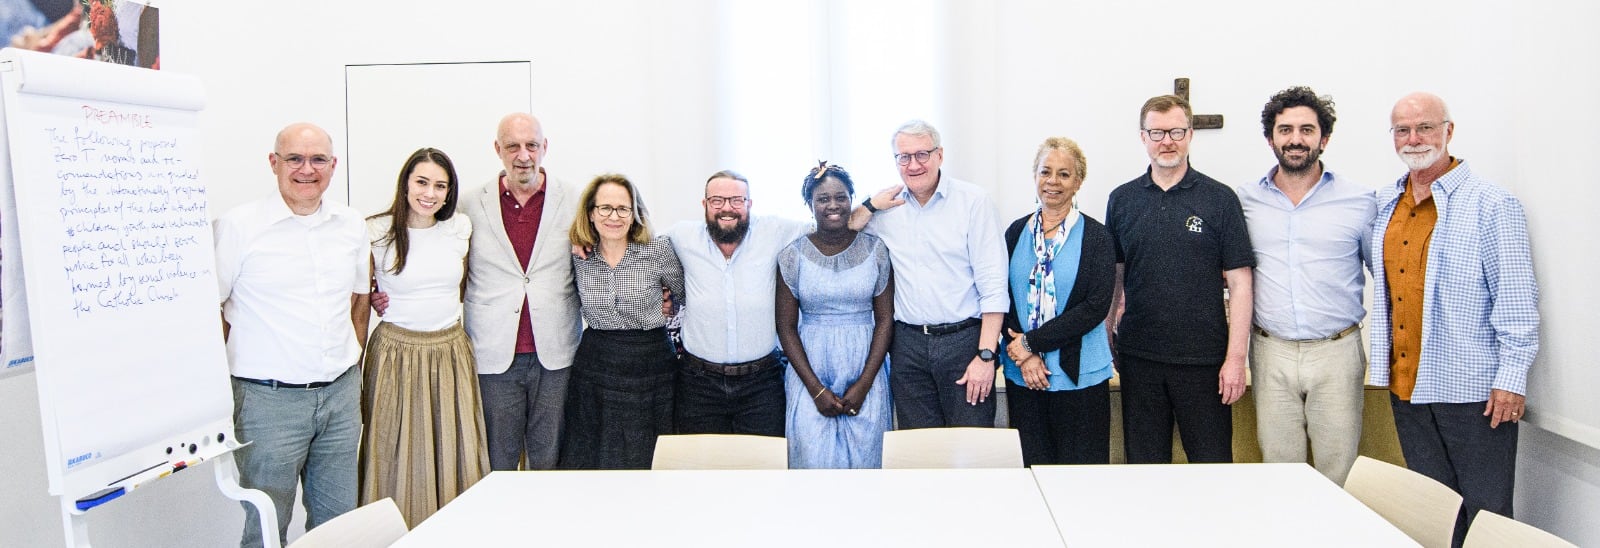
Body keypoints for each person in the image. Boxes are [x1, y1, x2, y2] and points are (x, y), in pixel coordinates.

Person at [1371, 92, 1538, 546]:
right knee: (1432, 515)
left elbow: (1517, 301)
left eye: (1424, 127)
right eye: (1402, 130)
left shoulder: (1492, 204)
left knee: (1488, 518)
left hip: (1475, 394)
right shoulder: (1385, 203)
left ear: (1449, 130)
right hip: (1407, 387)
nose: (1414, 138)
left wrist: (1512, 378)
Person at [214, 123, 369, 547]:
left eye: (318, 159)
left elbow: (359, 303)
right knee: (266, 525)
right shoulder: (238, 226)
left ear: (333, 166)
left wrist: (350, 365)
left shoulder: (351, 224)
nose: (307, 169)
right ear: (274, 163)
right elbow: (212, 310)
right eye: (295, 159)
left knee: (339, 526)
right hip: (268, 403)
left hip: (339, 397)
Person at [1106, 95, 1255, 464]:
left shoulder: (1220, 200)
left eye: (1175, 131)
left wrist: (1236, 358)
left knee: (1211, 465)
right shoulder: (1122, 200)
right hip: (1139, 359)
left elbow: (1240, 284)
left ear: (1190, 135)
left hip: (1205, 362)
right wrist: (1107, 333)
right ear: (1143, 137)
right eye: (1157, 132)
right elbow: (1115, 278)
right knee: (1145, 465)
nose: (1166, 141)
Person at [1240, 87, 1375, 485]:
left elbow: (1384, 274)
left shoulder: (1360, 201)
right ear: (1270, 139)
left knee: (1340, 471)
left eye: (1306, 129)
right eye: (1285, 130)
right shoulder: (1244, 202)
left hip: (1336, 352)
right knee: (1281, 471)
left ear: (1324, 139)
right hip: (1270, 351)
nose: (1295, 139)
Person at [359, 148, 488, 527]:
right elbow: (362, 293)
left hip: (449, 350)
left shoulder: (458, 229)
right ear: (406, 184)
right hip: (395, 354)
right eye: (422, 182)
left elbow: (459, 286)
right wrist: (376, 297)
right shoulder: (375, 230)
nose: (429, 193)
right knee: (393, 453)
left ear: (449, 193)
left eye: (440, 185)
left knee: (453, 449)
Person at [848, 120, 1007, 429]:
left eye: (922, 154)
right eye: (903, 157)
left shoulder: (974, 202)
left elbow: (994, 285)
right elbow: (843, 228)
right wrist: (870, 204)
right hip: (908, 346)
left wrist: (986, 356)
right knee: (919, 450)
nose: (913, 164)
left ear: (940, 155)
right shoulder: (887, 209)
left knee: (972, 445)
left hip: (964, 343)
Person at [460, 113, 581, 471]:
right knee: (498, 462)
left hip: (555, 355)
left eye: (531, 145)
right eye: (512, 146)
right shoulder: (468, 203)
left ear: (545, 148)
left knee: (550, 459)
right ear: (498, 149)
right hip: (495, 355)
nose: (523, 155)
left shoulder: (575, 199)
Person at [998, 137, 1116, 466]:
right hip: (1024, 373)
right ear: (1034, 176)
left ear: (1078, 182)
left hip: (1079, 375)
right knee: (1032, 471)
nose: (1053, 181)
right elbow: (1000, 297)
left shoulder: (1098, 237)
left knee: (1082, 477)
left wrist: (1033, 343)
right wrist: (1027, 356)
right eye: (1045, 171)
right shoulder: (1015, 232)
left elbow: (1095, 306)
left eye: (1064, 174)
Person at [666, 170, 808, 437]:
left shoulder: (774, 231)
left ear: (750, 204)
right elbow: (635, 242)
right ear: (704, 204)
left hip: (762, 383)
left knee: (763, 469)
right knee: (700, 469)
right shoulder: (682, 236)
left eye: (736, 200)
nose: (727, 209)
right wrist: (585, 240)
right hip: (698, 383)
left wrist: (872, 207)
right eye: (717, 201)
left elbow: (829, 223)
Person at [776, 163, 894, 468]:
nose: (833, 205)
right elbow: (786, 327)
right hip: (809, 370)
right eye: (823, 199)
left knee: (867, 459)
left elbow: (884, 320)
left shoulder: (876, 250)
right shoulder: (792, 255)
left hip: (865, 365)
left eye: (840, 197)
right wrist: (816, 390)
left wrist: (864, 383)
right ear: (810, 204)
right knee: (812, 460)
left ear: (851, 198)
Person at [563, 174, 684, 469]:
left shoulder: (658, 250)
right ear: (590, 213)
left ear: (635, 214)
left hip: (650, 363)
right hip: (596, 363)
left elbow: (680, 294)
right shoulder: (578, 254)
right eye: (605, 208)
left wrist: (666, 303)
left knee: (648, 455)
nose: (613, 217)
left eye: (622, 209)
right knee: (594, 455)